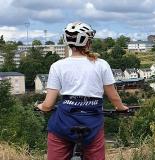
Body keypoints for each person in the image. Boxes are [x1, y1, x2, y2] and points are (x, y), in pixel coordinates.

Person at [37, 22, 129, 160]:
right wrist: (121, 108)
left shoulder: (57, 66)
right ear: (88, 42)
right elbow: (114, 97)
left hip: (63, 123)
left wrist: (40, 106)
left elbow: (48, 104)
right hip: (92, 123)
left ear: (67, 41)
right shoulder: (101, 64)